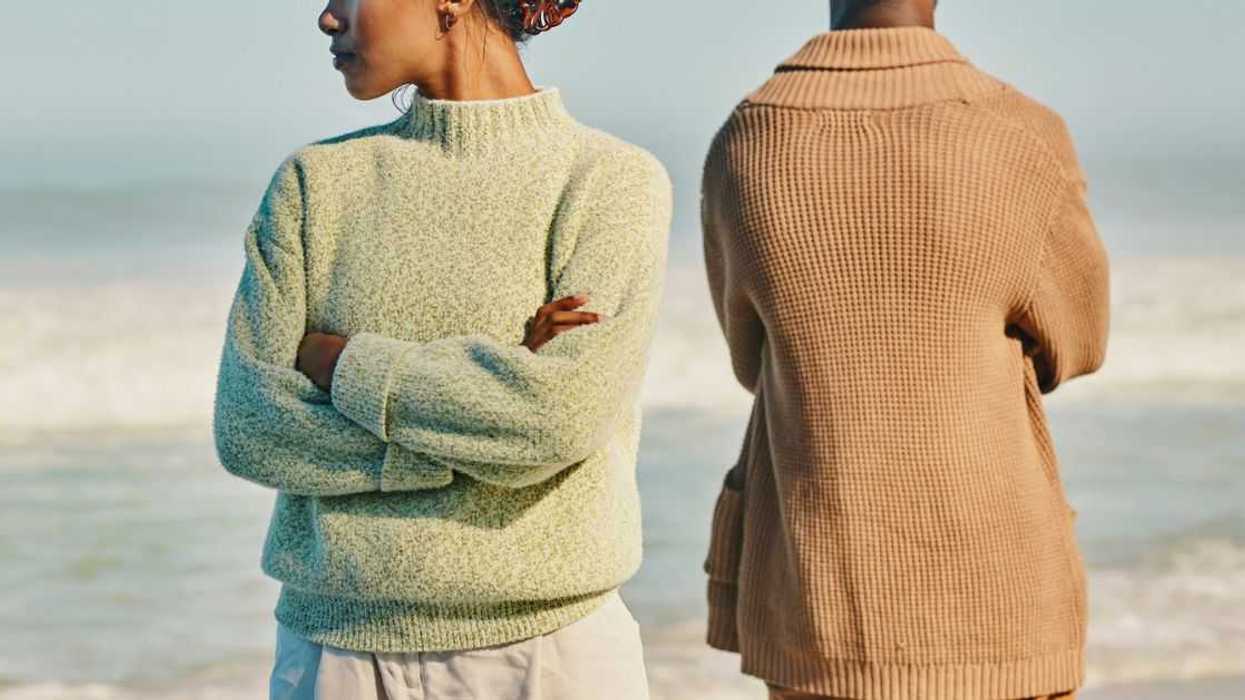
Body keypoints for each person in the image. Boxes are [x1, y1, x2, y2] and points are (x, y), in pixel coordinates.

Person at [211, 1, 672, 698]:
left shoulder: (607, 182)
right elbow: (251, 430)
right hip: (335, 652)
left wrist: (344, 365)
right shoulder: (314, 184)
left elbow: (557, 420)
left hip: (551, 654)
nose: (328, 19)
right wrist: (486, 415)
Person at [699, 1, 1110, 699]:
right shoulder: (1019, 133)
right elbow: (1076, 345)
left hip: (816, 595)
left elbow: (750, 356)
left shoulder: (748, 137)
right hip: (995, 599)